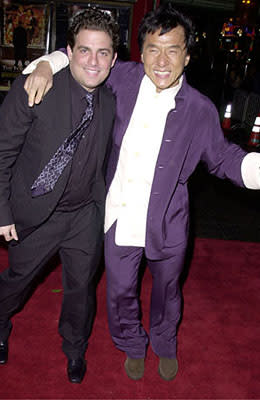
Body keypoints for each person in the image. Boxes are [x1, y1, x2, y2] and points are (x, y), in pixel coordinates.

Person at [22, 3, 260, 381]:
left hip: (168, 221)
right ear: (141, 52)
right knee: (119, 292)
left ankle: (165, 342)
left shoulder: (199, 109)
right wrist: (48, 63)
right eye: (153, 48)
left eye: (173, 49)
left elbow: (223, 159)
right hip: (118, 213)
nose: (162, 60)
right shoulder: (125, 78)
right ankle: (132, 343)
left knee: (168, 290)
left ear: (187, 54)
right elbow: (88, 60)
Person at [0, 8, 119, 384]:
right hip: (37, 210)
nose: (93, 60)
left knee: (81, 289)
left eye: (103, 52)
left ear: (113, 57)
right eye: (84, 50)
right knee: (17, 279)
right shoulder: (35, 87)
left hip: (84, 215)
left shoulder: (111, 100)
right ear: (70, 51)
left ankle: (75, 347)